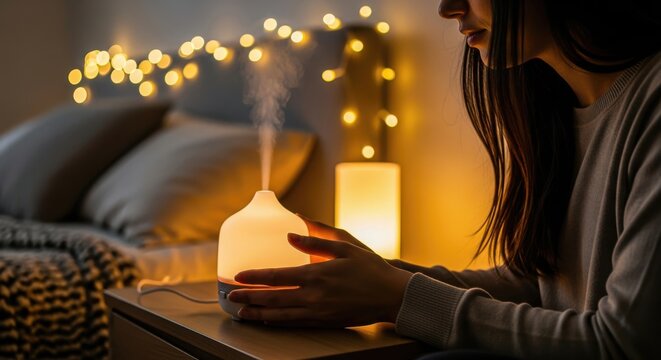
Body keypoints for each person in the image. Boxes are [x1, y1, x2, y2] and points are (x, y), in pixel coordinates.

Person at [228, 0, 661, 358]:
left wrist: (396, 296)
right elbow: (538, 285)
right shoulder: (553, 112)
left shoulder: (652, 105)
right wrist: (381, 278)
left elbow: (624, 343)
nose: (447, 8)